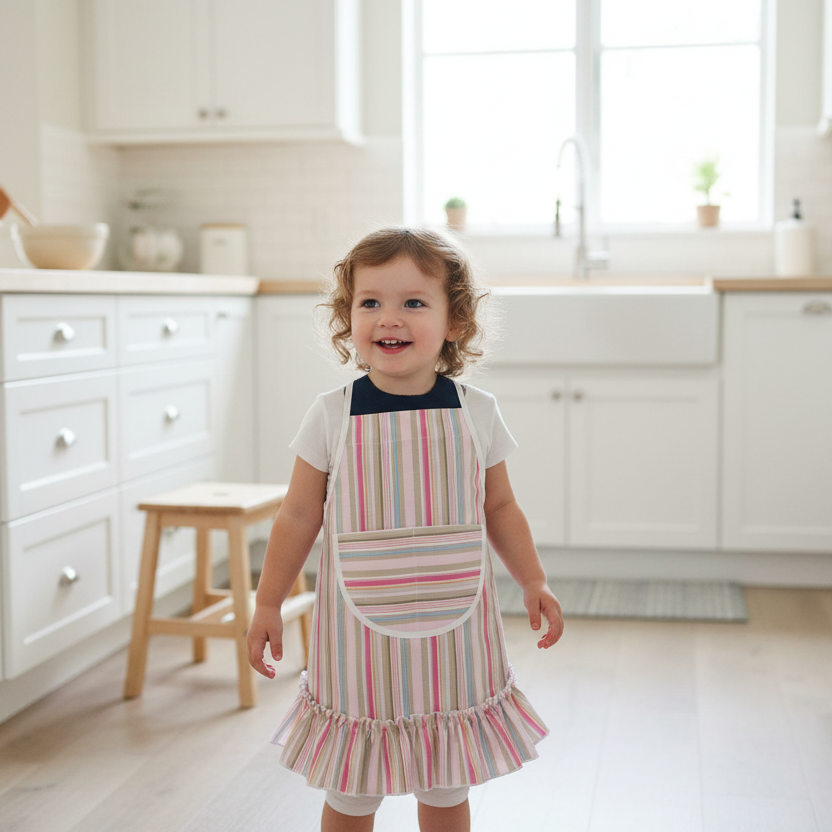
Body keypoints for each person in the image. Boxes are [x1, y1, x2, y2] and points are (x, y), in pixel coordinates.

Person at [248, 227, 564, 832]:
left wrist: (533, 580)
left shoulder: (477, 412)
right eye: (370, 302)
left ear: (455, 321)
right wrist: (268, 601)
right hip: (356, 645)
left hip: (455, 640)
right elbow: (298, 515)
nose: (389, 318)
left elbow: (500, 507)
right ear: (348, 319)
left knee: (446, 787)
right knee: (351, 791)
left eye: (413, 302)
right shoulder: (330, 414)